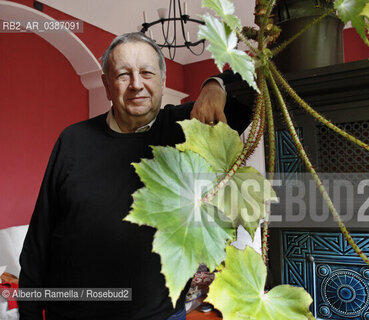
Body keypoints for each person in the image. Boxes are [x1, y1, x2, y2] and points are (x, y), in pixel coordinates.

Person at [18, 32, 252, 320]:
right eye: (123, 75)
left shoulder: (188, 127)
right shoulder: (73, 139)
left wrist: (214, 85)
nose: (137, 84)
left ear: (163, 80)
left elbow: (256, 85)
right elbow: (39, 240)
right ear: (106, 84)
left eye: (146, 73)